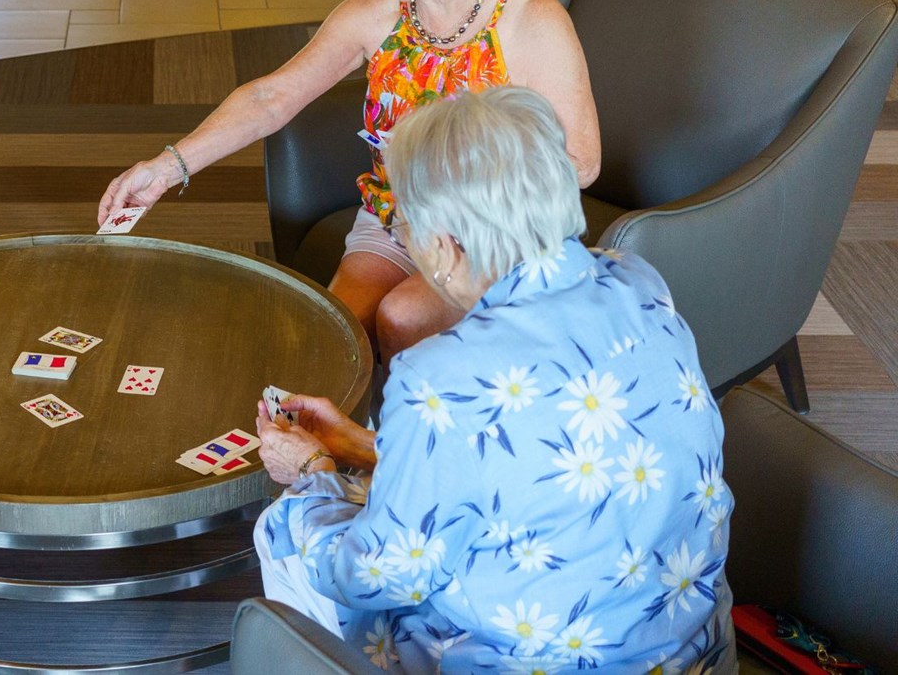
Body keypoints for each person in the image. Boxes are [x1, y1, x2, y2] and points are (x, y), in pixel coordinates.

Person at [252, 87, 732, 672]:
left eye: (402, 224)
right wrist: (368, 448)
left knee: (286, 527)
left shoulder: (436, 379)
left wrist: (312, 475)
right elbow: (536, 466)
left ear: (445, 249)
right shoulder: (638, 282)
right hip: (689, 652)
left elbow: (375, 576)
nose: (404, 237)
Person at [98, 0, 600, 364]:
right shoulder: (379, 12)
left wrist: (460, 200)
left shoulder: (532, 22)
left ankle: (409, 444)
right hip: (394, 218)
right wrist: (167, 167)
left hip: (491, 235)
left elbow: (581, 163)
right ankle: (352, 441)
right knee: (335, 339)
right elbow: (272, 98)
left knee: (402, 318)